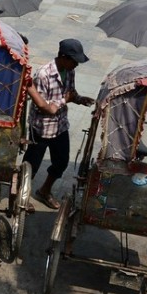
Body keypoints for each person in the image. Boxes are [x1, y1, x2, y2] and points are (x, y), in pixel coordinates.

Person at [23, 39, 94, 210]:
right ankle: (22, 197)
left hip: (60, 126)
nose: (76, 65)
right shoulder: (43, 75)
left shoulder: (69, 72)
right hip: (41, 128)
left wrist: (79, 99)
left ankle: (44, 191)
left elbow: (71, 93)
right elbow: (44, 107)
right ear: (63, 57)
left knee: (61, 162)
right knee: (31, 166)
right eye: (74, 61)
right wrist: (65, 100)